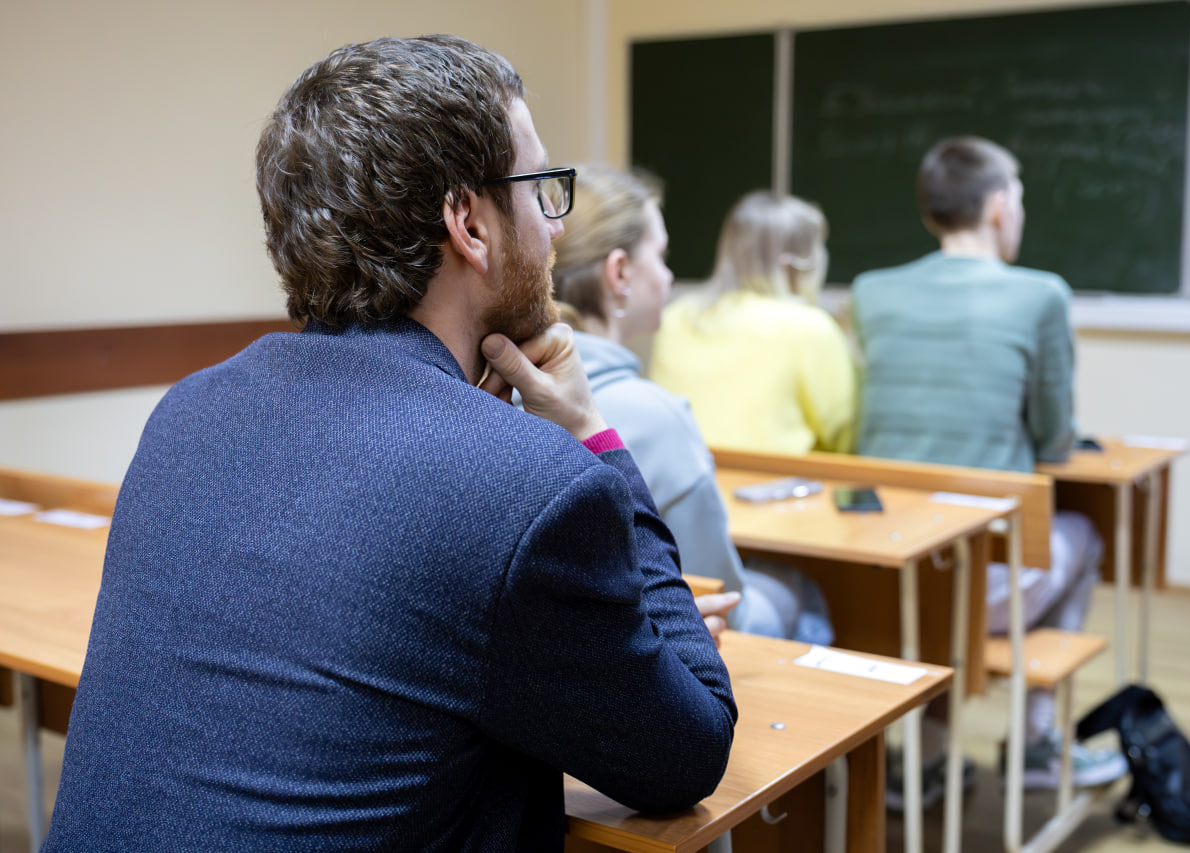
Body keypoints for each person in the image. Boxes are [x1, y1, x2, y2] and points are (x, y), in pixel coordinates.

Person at [42, 36, 735, 852]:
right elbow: (690, 748)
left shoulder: (190, 411)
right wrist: (595, 439)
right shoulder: (528, 485)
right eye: (543, 192)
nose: (555, 231)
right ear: (469, 223)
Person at [851, 135, 1124, 792]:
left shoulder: (871, 290)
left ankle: (928, 757)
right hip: (979, 582)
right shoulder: (1042, 294)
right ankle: (1033, 741)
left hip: (881, 572)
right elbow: (1055, 438)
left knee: (943, 561)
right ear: (1000, 206)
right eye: (1021, 200)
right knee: (1084, 535)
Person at [550, 164, 834, 645]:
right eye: (661, 257)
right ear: (619, 272)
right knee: (803, 597)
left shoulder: (497, 390)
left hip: (572, 646)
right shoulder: (656, 417)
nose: (670, 275)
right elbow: (722, 595)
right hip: (672, 648)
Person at [649, 191, 857, 455]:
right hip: (780, 486)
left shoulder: (674, 316)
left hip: (683, 482)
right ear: (793, 263)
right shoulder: (810, 327)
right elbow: (842, 433)